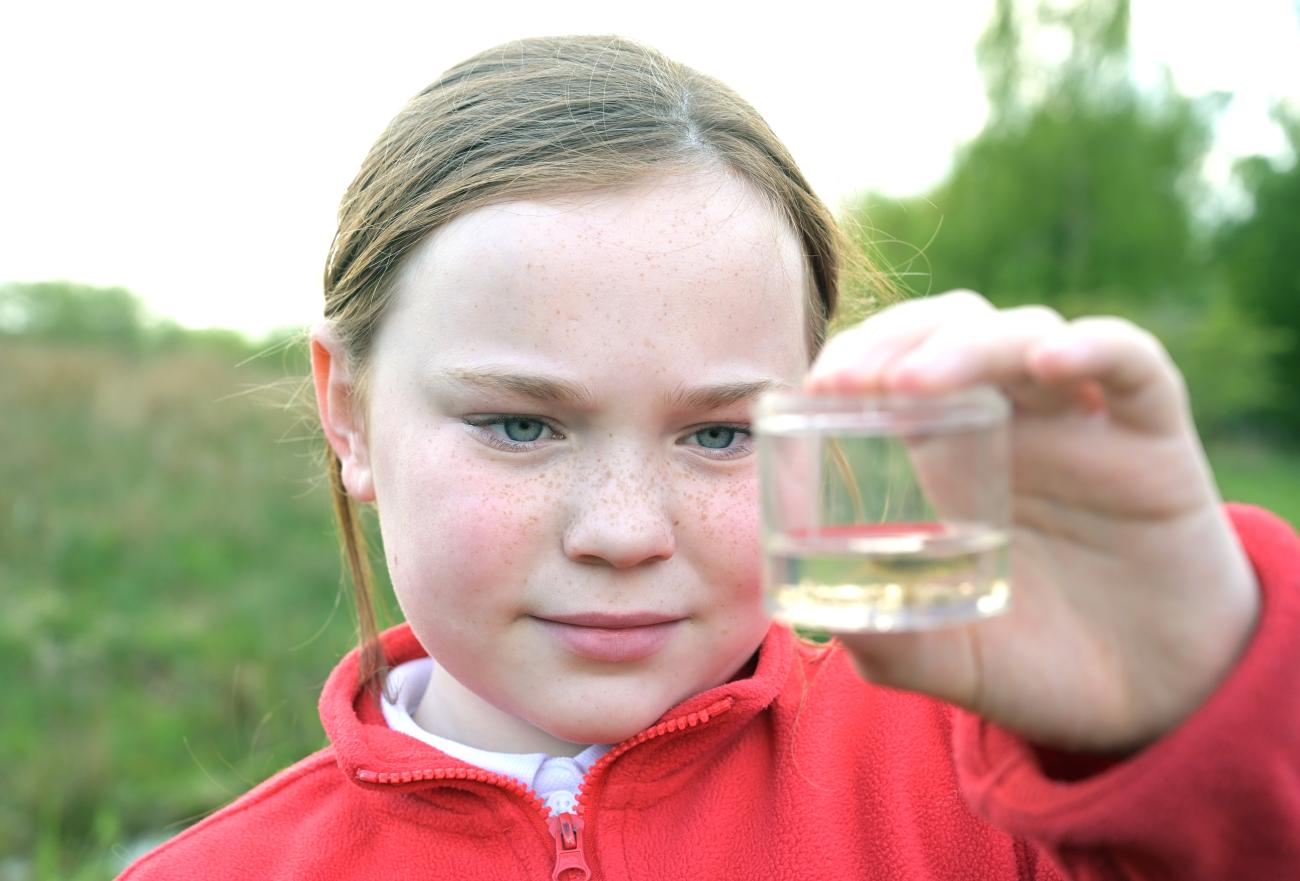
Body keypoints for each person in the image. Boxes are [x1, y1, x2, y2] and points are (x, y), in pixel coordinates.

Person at [119, 35, 1300, 880]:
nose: (625, 531)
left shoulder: (1013, 792)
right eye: (520, 423)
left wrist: (1204, 709)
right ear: (350, 411)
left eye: (720, 432)